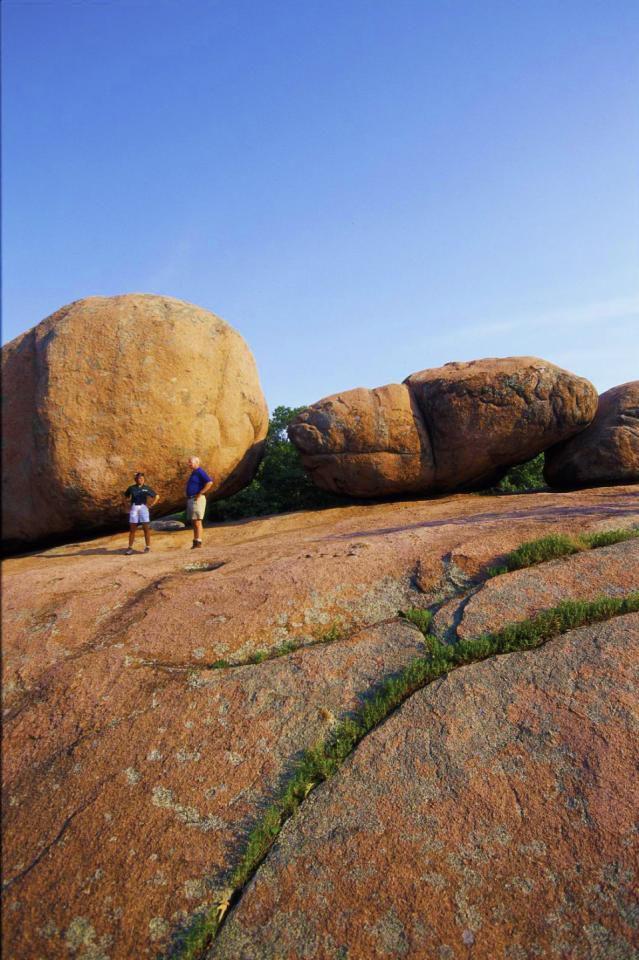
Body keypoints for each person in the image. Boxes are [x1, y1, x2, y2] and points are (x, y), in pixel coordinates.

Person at [123, 472, 160, 555]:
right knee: (132, 528)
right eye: (139, 478)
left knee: (146, 528)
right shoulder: (131, 488)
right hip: (134, 507)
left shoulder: (146, 488)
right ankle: (130, 548)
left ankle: (147, 546)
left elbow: (157, 496)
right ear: (135, 479)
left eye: (142, 479)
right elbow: (125, 497)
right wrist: (127, 506)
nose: (141, 480)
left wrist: (151, 505)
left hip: (143, 507)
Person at [185, 456, 213, 548]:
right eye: (189, 462)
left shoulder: (200, 471)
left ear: (197, 463)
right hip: (192, 499)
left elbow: (209, 482)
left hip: (197, 499)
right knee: (194, 521)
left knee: (197, 521)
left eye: (190, 462)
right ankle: (196, 541)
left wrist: (200, 493)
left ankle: (198, 541)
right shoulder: (194, 473)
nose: (188, 464)